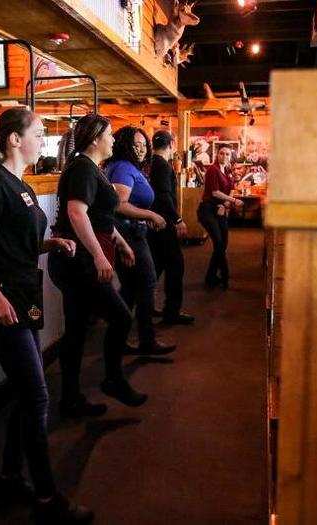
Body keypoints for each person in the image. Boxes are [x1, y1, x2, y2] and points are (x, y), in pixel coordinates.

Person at [0, 108, 92, 525]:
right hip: (4, 306)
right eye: (37, 133)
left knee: (25, 392)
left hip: (23, 298)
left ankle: (9, 476)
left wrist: (50, 244)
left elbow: (15, 244)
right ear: (15, 139)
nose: (43, 139)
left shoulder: (22, 185)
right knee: (36, 396)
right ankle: (48, 496)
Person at [49, 114, 147, 418]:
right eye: (110, 135)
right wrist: (98, 256)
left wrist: (120, 242)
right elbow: (77, 213)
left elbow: (99, 216)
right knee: (119, 317)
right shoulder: (83, 168)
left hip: (77, 258)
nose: (114, 140)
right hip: (78, 260)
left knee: (76, 329)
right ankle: (113, 379)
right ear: (95, 139)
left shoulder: (92, 169)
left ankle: (70, 398)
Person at [106, 126, 175, 356]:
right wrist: (151, 215)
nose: (142, 149)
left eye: (144, 144)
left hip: (132, 233)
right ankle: (147, 340)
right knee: (146, 283)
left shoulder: (125, 167)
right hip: (129, 235)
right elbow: (119, 204)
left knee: (130, 287)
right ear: (124, 145)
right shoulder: (123, 168)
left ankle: (119, 337)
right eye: (136, 144)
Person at [147, 131, 194, 325]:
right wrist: (178, 219)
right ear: (172, 144)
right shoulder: (162, 166)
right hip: (164, 223)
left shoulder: (151, 164)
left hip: (154, 223)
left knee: (155, 267)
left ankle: (146, 307)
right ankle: (171, 312)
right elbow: (164, 196)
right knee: (176, 266)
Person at [197, 146, 243, 289]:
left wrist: (226, 205)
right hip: (207, 210)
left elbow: (229, 190)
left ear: (231, 156)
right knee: (218, 243)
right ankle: (224, 275)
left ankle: (211, 277)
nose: (224, 156)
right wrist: (234, 201)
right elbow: (215, 192)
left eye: (227, 154)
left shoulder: (227, 171)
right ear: (217, 155)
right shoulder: (212, 170)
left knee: (223, 244)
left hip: (220, 209)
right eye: (221, 153)